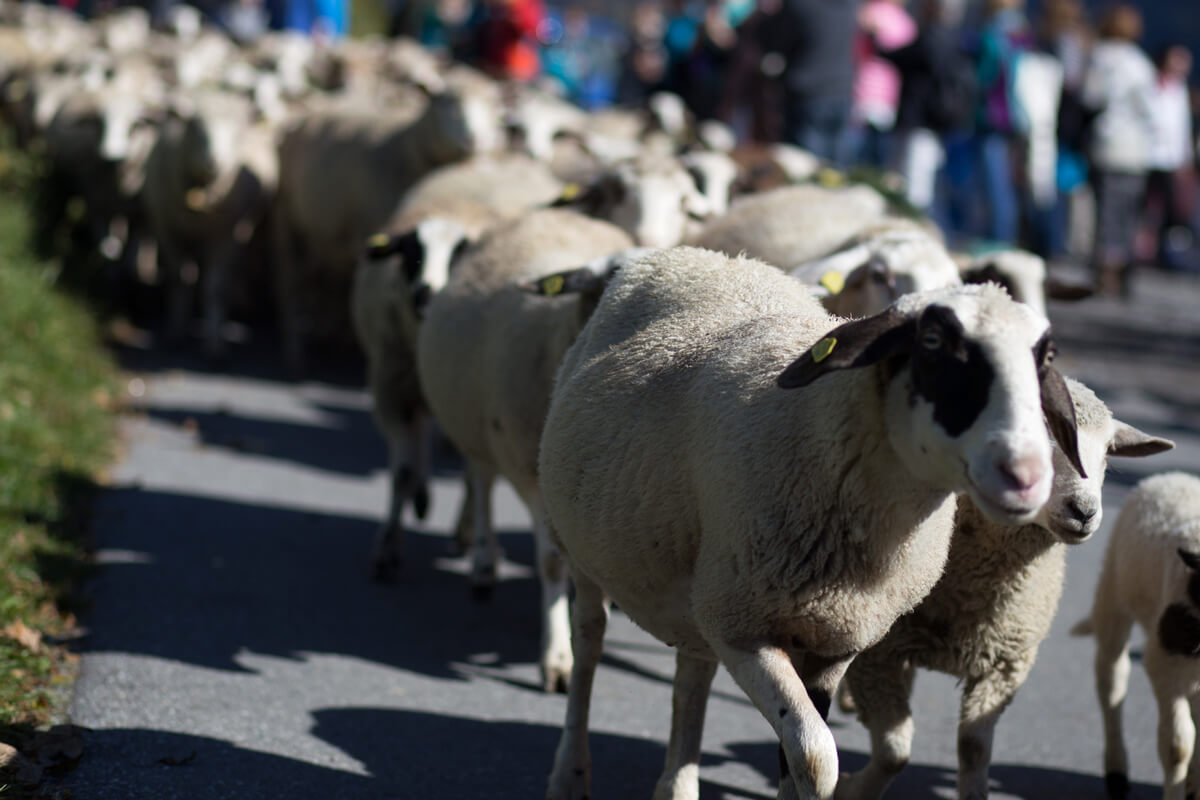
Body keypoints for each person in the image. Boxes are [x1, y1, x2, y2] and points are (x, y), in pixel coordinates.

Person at [1080, 3, 1156, 295]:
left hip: (1108, 143)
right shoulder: (1141, 61)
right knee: (1128, 213)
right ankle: (1125, 267)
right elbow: (1151, 108)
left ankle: (1104, 271)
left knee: (1106, 211)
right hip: (1137, 149)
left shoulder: (1101, 57)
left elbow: (1091, 97)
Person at [878, 0, 970, 218]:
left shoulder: (934, 39)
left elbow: (902, 56)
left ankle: (914, 230)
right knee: (918, 182)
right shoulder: (955, 40)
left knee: (914, 187)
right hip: (933, 123)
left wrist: (876, 44)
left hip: (922, 121)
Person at [971, 0, 1034, 245]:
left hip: (994, 117)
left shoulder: (992, 34)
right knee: (1008, 183)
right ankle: (1006, 237)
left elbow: (985, 76)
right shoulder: (1024, 33)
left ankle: (998, 240)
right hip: (1017, 117)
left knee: (995, 185)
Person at [777, 0, 859, 165]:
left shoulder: (801, 5)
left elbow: (780, 42)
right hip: (841, 90)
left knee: (808, 166)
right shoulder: (850, 4)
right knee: (835, 167)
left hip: (808, 91)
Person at [1145, 44, 1195, 270]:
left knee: (1169, 208)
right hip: (1147, 154)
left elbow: (1182, 125)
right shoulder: (1149, 82)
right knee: (1143, 205)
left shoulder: (1179, 88)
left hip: (1170, 158)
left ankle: (1163, 255)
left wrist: (1186, 157)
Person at [850, 0, 916, 168]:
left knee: (855, 154)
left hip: (861, 90)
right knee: (879, 156)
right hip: (888, 96)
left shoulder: (867, 12)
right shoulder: (905, 22)